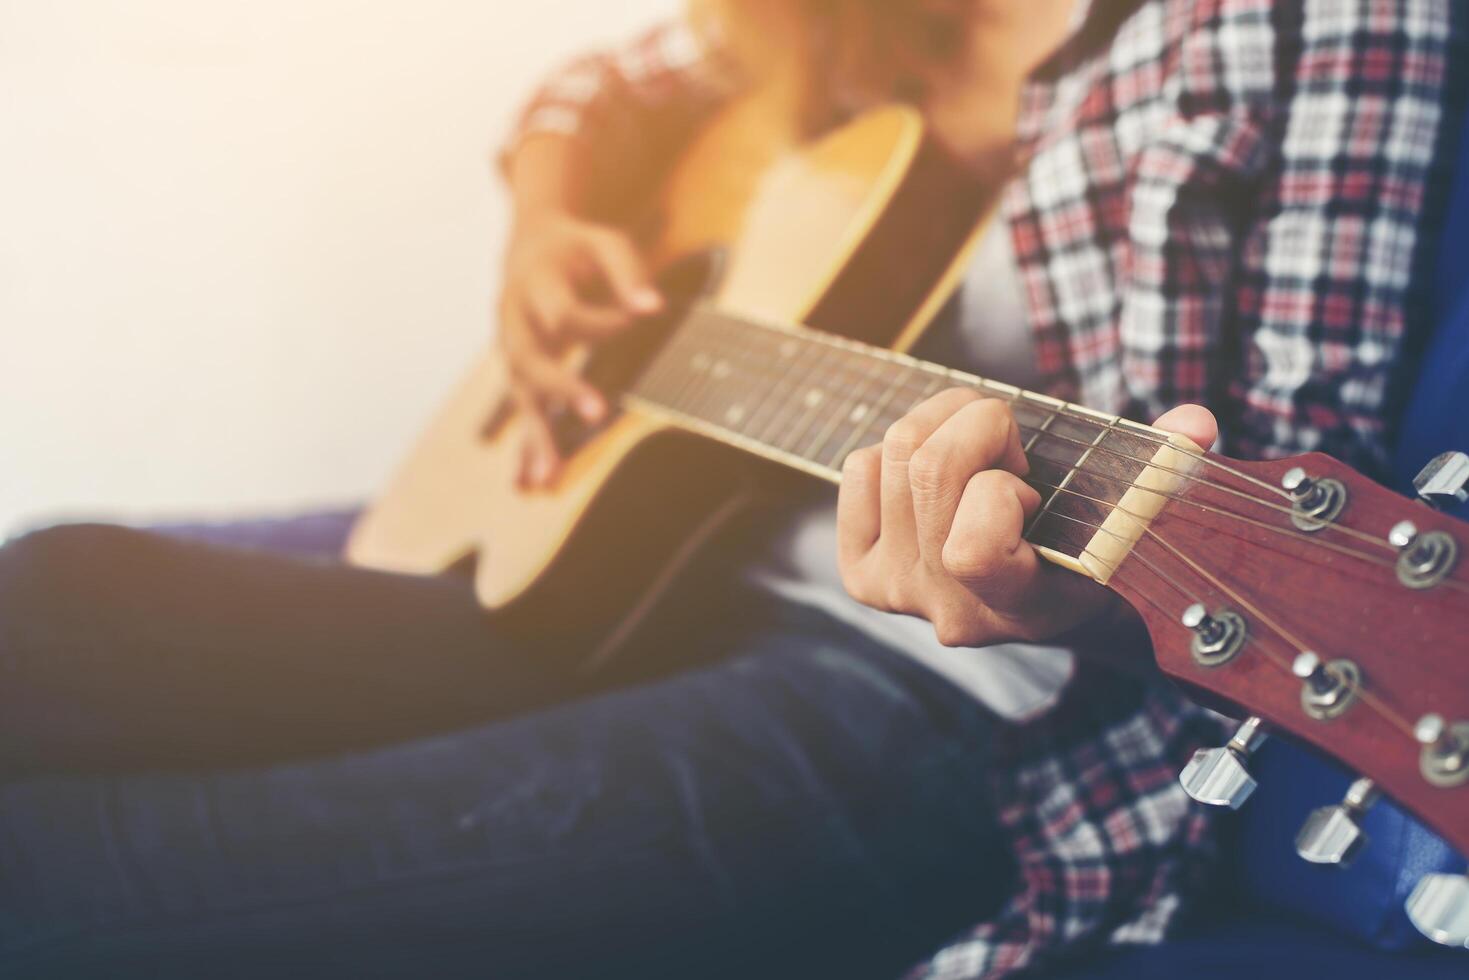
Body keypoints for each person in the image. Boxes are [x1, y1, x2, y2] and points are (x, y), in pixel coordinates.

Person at [0, 1, 1461, 976]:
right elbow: (602, 83)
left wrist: (1043, 598)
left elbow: (1284, 465)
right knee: (54, 592)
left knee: (77, 879)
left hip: (917, 707)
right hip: (652, 574)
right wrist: (547, 225)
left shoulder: (1299, 18)